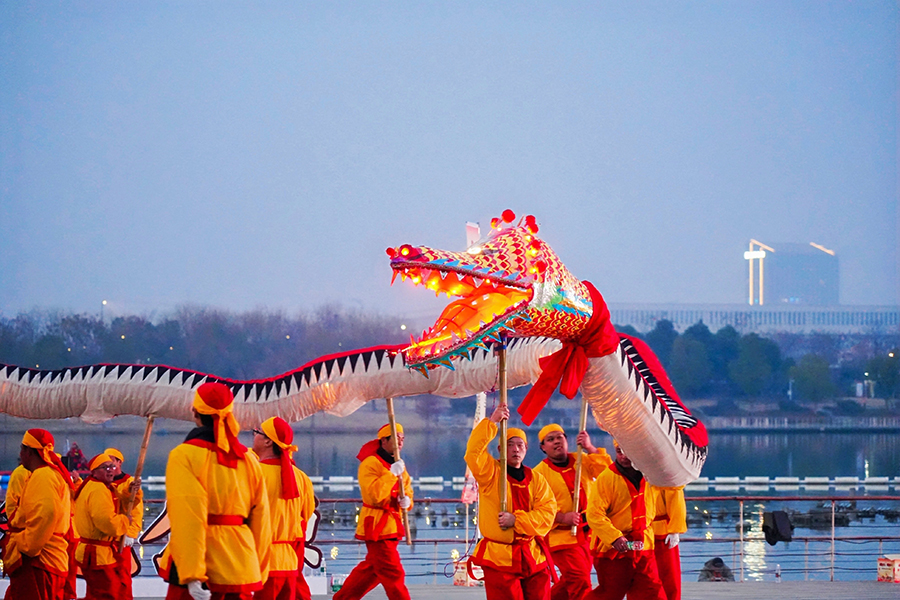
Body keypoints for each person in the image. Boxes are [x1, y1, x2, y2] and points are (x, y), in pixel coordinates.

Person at [158, 382, 272, 600]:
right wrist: (258, 567)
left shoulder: (184, 455)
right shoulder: (248, 458)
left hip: (202, 567)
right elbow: (261, 519)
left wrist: (192, 573)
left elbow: (188, 514)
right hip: (240, 563)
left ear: (195, 412)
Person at [464, 405, 557, 600]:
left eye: (520, 445)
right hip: (500, 557)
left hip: (532, 555)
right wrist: (492, 422)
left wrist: (517, 520)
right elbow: (473, 453)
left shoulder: (536, 478)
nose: (516, 449)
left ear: (526, 449)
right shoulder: (490, 472)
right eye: (510, 445)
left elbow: (547, 513)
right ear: (500, 449)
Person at [333, 423, 413, 600]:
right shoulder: (370, 464)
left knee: (372, 570)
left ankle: (343, 598)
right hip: (377, 525)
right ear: (384, 440)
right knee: (393, 572)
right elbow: (373, 496)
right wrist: (391, 474)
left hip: (392, 524)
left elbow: (407, 491)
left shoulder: (399, 465)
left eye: (402, 438)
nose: (400, 442)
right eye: (396, 437)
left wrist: (406, 501)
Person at [533, 424, 612, 600]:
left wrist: (590, 448)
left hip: (590, 533)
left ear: (566, 440)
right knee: (580, 580)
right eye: (550, 439)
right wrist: (561, 517)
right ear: (543, 447)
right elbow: (535, 510)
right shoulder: (538, 474)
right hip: (561, 537)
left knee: (570, 581)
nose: (556, 442)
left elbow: (607, 475)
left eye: (559, 437)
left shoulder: (581, 459)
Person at [585, 441, 665, 600]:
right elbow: (594, 514)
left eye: (628, 450)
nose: (624, 456)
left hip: (644, 545)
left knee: (653, 593)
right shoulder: (606, 478)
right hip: (613, 550)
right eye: (619, 451)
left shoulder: (651, 474)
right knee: (610, 593)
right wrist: (614, 537)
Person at [4, 429, 75, 600]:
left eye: (22, 449)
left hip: (39, 560)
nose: (20, 455)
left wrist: (26, 545)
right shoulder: (49, 474)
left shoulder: (44, 475)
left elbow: (46, 514)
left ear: (29, 451)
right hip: (46, 559)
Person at [251, 417, 316, 600]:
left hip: (260, 562)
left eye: (256, 432)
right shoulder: (301, 477)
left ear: (267, 440)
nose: (253, 436)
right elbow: (306, 514)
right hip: (289, 561)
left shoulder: (252, 474)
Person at [73, 453, 140, 600]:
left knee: (100, 593)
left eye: (112, 466)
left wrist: (131, 491)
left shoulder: (99, 486)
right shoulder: (98, 490)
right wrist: (125, 522)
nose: (110, 470)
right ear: (94, 471)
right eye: (105, 467)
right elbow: (106, 522)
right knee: (108, 593)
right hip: (98, 553)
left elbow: (123, 505)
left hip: (101, 551)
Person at [104, 447, 143, 600]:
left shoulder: (129, 483)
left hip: (122, 537)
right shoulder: (104, 481)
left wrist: (130, 533)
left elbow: (136, 512)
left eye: (111, 462)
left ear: (119, 462)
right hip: (105, 537)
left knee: (122, 575)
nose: (108, 466)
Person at [652, 487, 686, 600]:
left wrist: (675, 530)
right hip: (638, 531)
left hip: (662, 533)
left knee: (667, 575)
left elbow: (676, 499)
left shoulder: (667, 475)